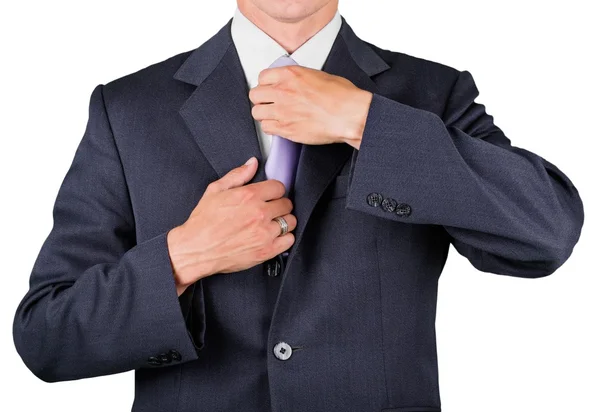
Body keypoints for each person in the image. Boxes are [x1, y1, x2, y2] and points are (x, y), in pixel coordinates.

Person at [12, 0, 584, 411]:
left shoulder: (431, 94)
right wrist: (183, 257)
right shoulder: (129, 107)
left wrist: (364, 121)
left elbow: (546, 232)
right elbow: (47, 337)